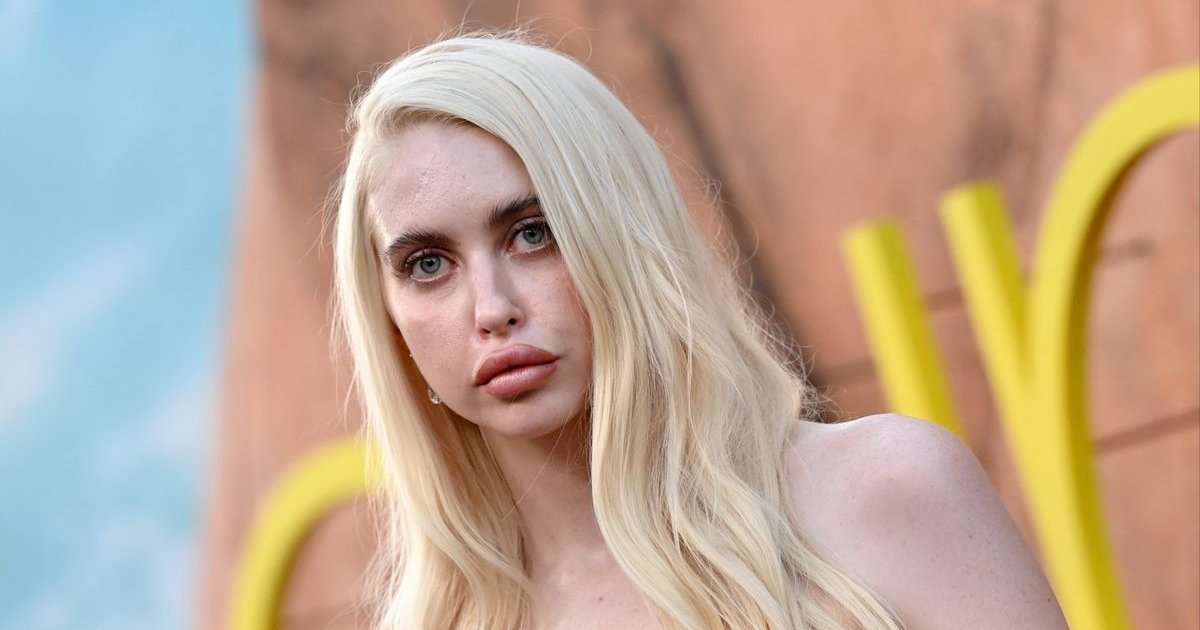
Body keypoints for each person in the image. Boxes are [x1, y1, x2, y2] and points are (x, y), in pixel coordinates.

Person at [331, 31, 1068, 629]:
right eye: (428, 264)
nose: (492, 309)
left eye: (533, 233)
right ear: (388, 318)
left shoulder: (886, 490)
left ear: (625, 235)